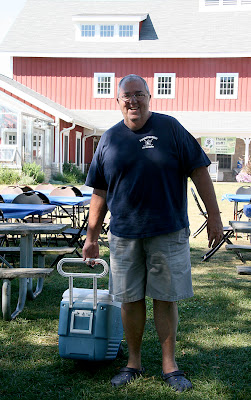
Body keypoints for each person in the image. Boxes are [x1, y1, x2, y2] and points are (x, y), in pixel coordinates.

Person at [82, 74, 223, 391]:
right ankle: (133, 362)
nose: (133, 100)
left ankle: (169, 365)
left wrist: (214, 217)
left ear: (149, 96)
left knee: (165, 297)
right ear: (117, 101)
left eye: (138, 94)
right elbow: (99, 192)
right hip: (123, 235)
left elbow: (199, 171)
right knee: (129, 300)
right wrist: (91, 237)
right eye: (126, 96)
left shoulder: (170, 128)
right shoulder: (109, 139)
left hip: (167, 230)